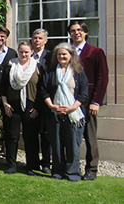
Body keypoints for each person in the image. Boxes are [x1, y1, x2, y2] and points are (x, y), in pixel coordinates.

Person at [39, 43, 88, 182]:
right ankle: (57, 172)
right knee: (57, 145)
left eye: (64, 54)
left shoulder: (78, 72)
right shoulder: (50, 71)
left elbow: (83, 94)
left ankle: (72, 173)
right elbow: (43, 90)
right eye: (59, 54)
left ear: (71, 56)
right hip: (54, 114)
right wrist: (52, 106)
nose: (62, 56)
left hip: (73, 115)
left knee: (73, 145)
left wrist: (72, 108)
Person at [68, 21, 108, 181]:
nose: (76, 33)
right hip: (70, 101)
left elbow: (102, 78)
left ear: (85, 33)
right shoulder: (67, 52)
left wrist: (96, 101)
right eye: (73, 31)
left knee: (90, 137)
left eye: (79, 30)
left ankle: (91, 169)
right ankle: (71, 167)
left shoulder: (96, 52)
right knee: (70, 137)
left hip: (88, 102)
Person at [0, 41, 45, 175]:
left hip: (30, 106)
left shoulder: (37, 67)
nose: (24, 54)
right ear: (18, 52)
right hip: (12, 106)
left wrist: (37, 108)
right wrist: (5, 104)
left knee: (30, 137)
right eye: (21, 52)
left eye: (26, 52)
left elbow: (42, 89)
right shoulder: (10, 66)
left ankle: (30, 166)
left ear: (31, 52)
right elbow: (3, 87)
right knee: (12, 136)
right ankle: (12, 164)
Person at [0, 26, 18, 162]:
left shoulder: (13, 54)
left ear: (6, 38)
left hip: (8, 95)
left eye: (2, 36)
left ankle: (9, 157)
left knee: (9, 126)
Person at [31, 28, 52, 174]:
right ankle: (32, 163)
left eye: (40, 38)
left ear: (45, 40)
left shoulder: (50, 57)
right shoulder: (27, 55)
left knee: (46, 135)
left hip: (45, 103)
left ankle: (46, 163)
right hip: (30, 101)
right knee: (31, 134)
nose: (37, 40)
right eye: (34, 38)